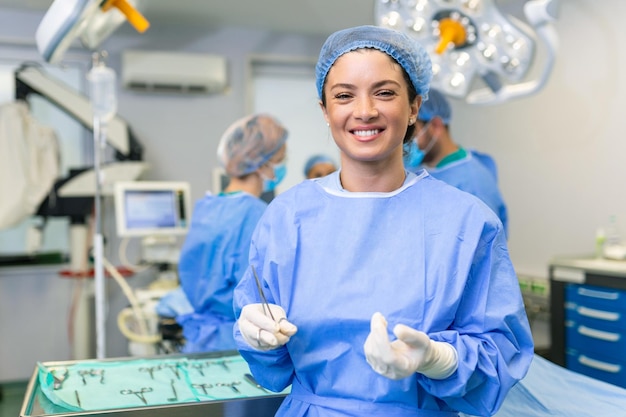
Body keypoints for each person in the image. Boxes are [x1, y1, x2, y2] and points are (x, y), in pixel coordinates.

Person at [233, 25, 533, 417]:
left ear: (414, 107)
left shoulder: (467, 222)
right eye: (344, 95)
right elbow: (273, 371)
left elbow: (499, 355)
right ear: (325, 110)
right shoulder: (287, 219)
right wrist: (257, 337)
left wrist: (441, 359)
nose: (364, 111)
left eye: (385, 92)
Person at [176, 113, 288, 353]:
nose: (282, 167)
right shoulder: (258, 215)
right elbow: (265, 293)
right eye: (280, 159)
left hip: (200, 343)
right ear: (263, 163)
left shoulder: (207, 207)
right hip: (239, 343)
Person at [403, 88, 509, 236]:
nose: (406, 141)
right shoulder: (417, 171)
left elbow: (482, 248)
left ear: (436, 126)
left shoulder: (472, 184)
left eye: (412, 133)